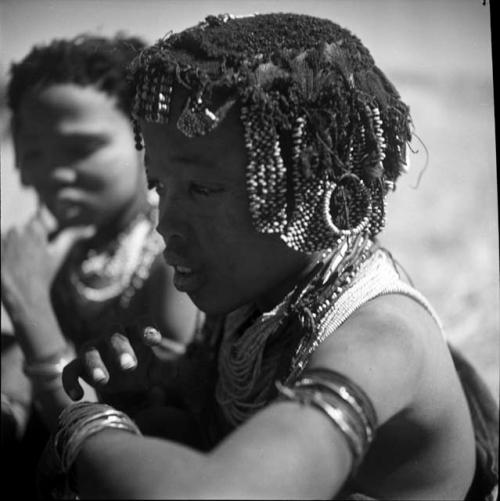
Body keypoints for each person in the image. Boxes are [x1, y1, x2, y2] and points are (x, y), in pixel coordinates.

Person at [39, 13, 498, 500]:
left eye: (202, 188)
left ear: (313, 189)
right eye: (158, 186)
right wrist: (175, 380)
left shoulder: (377, 343)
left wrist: (76, 414)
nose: (165, 223)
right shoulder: (258, 298)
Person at [0, 33, 199, 498]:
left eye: (80, 149)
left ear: (145, 139)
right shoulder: (67, 250)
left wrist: (29, 307)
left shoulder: (172, 258)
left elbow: (158, 419)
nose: (53, 174)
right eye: (32, 154)